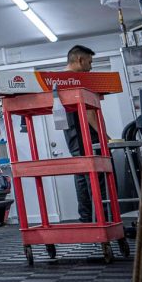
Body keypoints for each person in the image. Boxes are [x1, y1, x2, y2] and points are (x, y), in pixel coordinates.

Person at [60, 45, 108, 222]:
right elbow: (88, 112)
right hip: (87, 134)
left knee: (82, 174)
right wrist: (104, 135)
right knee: (97, 174)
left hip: (72, 134)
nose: (91, 66)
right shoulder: (77, 79)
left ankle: (87, 218)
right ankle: (105, 217)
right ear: (79, 60)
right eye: (89, 61)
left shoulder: (59, 81)